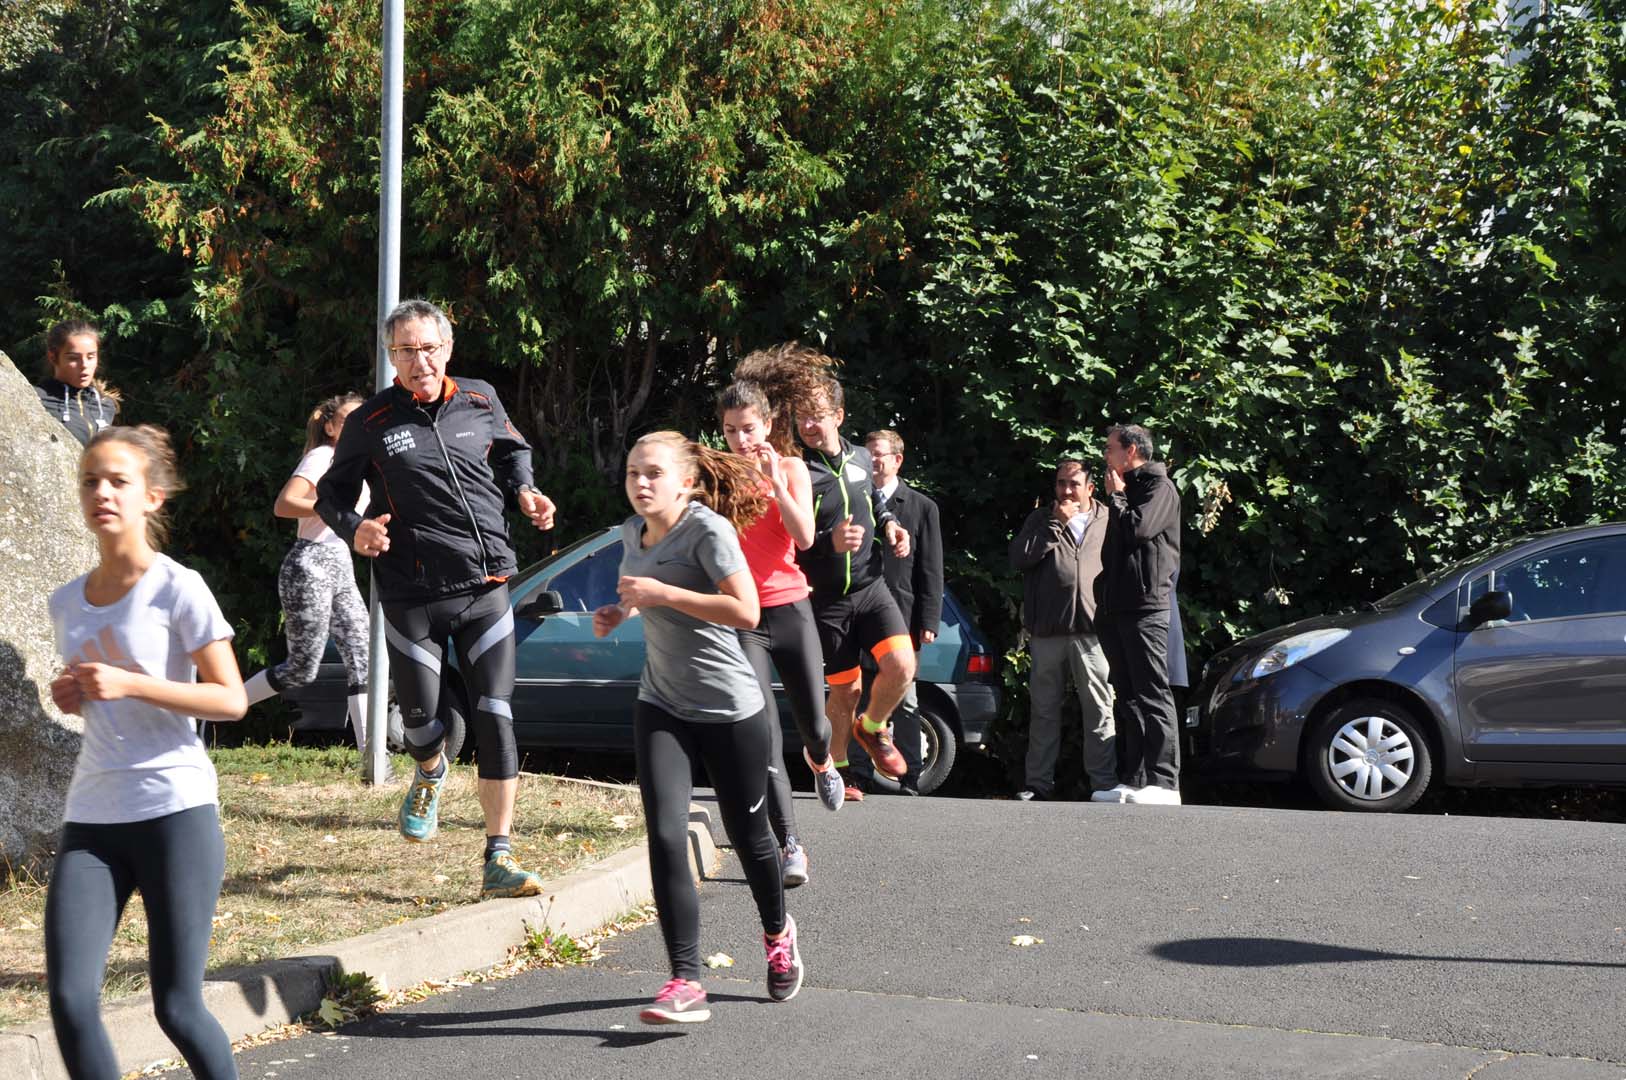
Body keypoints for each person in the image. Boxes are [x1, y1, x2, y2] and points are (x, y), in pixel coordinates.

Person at [315, 299, 557, 898]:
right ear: (389, 356)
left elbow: (513, 450)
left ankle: (498, 856)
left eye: (427, 347)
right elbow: (330, 496)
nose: (417, 360)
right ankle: (429, 771)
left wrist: (526, 491)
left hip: (486, 584)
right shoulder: (369, 422)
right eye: (404, 350)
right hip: (411, 594)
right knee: (424, 727)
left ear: (447, 349)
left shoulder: (480, 398)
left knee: (496, 716)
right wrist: (357, 529)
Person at [46, 425, 247, 1080]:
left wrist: (131, 683)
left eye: (117, 481)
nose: (101, 492)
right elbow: (101, 692)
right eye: (90, 481)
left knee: (178, 1006)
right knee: (72, 1000)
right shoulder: (65, 602)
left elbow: (231, 699)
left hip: (175, 811)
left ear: (152, 498)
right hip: (93, 817)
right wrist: (75, 694)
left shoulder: (177, 587)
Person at [594, 431, 803, 1024]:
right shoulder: (632, 533)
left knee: (751, 837)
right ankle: (684, 979)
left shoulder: (708, 531)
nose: (640, 483)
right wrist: (623, 610)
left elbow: (747, 611)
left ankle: (777, 932)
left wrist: (663, 591)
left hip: (730, 708)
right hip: (660, 702)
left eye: (653, 474)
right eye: (633, 472)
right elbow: (642, 589)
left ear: (685, 482)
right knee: (663, 837)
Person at [718, 375, 844, 890]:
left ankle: (820, 758)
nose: (741, 441)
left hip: (790, 608)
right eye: (730, 431)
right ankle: (790, 844)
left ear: (768, 426)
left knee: (814, 721)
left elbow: (805, 536)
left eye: (749, 429)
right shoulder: (720, 477)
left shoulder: (791, 467)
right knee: (763, 736)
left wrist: (772, 478)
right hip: (744, 617)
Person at [772, 349, 913, 803]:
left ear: (839, 415)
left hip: (871, 588)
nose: (808, 426)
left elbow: (877, 500)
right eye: (801, 418)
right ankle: (841, 769)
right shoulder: (799, 470)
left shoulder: (858, 459)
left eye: (816, 416)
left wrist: (891, 526)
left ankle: (872, 729)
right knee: (846, 689)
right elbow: (789, 541)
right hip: (825, 597)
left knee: (902, 666)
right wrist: (829, 543)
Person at [242, 394, 376, 773]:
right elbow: (284, 504)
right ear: (331, 427)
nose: (357, 426)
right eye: (348, 420)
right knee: (302, 669)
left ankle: (372, 759)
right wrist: (328, 507)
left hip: (340, 564)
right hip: (310, 563)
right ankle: (215, 709)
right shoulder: (321, 457)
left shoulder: (362, 462)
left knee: (362, 656)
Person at [1008, 460, 1116, 802]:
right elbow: (1020, 558)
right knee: (1043, 710)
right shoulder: (1041, 519)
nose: (1066, 491)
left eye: (1073, 484)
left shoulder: (1108, 519)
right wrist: (1056, 524)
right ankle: (1038, 783)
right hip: (1048, 631)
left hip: (1094, 631)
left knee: (1099, 708)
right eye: (1060, 484)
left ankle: (1103, 784)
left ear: (1090, 488)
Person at [1095, 423, 1183, 805]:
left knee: (1152, 692)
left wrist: (1116, 498)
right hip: (1118, 606)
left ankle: (1164, 781)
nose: (1105, 454)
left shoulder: (1159, 487)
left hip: (1147, 606)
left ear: (1131, 451)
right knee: (1127, 694)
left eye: (1110, 447)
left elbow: (1139, 530)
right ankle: (1135, 778)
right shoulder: (1130, 489)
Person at [861, 427, 943, 794]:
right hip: (857, 612)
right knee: (858, 693)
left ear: (897, 459)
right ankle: (857, 771)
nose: (873, 461)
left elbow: (931, 569)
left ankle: (909, 775)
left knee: (905, 699)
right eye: (868, 454)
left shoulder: (922, 507)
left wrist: (927, 620)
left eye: (879, 454)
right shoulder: (855, 500)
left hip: (901, 615)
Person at [35, 319, 120, 446]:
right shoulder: (37, 399)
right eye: (73, 358)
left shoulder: (106, 404)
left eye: (91, 356)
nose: (84, 365)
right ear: (53, 357)